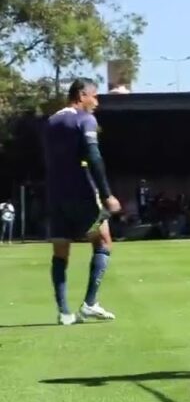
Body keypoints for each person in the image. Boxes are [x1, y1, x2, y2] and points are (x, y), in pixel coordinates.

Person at [42, 78, 121, 325]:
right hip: (82, 193)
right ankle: (89, 303)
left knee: (60, 251)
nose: (96, 102)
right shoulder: (84, 119)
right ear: (81, 96)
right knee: (104, 242)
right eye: (94, 96)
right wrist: (107, 194)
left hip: (55, 194)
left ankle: (64, 312)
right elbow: (94, 157)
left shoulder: (51, 122)